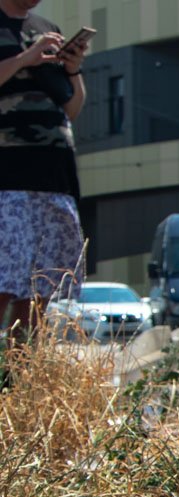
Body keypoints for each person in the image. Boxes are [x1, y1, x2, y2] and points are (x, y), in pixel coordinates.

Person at [0, 0, 87, 340]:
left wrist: (74, 69)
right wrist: (25, 57)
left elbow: (72, 108)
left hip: (55, 175)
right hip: (7, 174)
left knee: (41, 288)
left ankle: (22, 380)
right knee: (5, 277)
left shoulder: (46, 28)